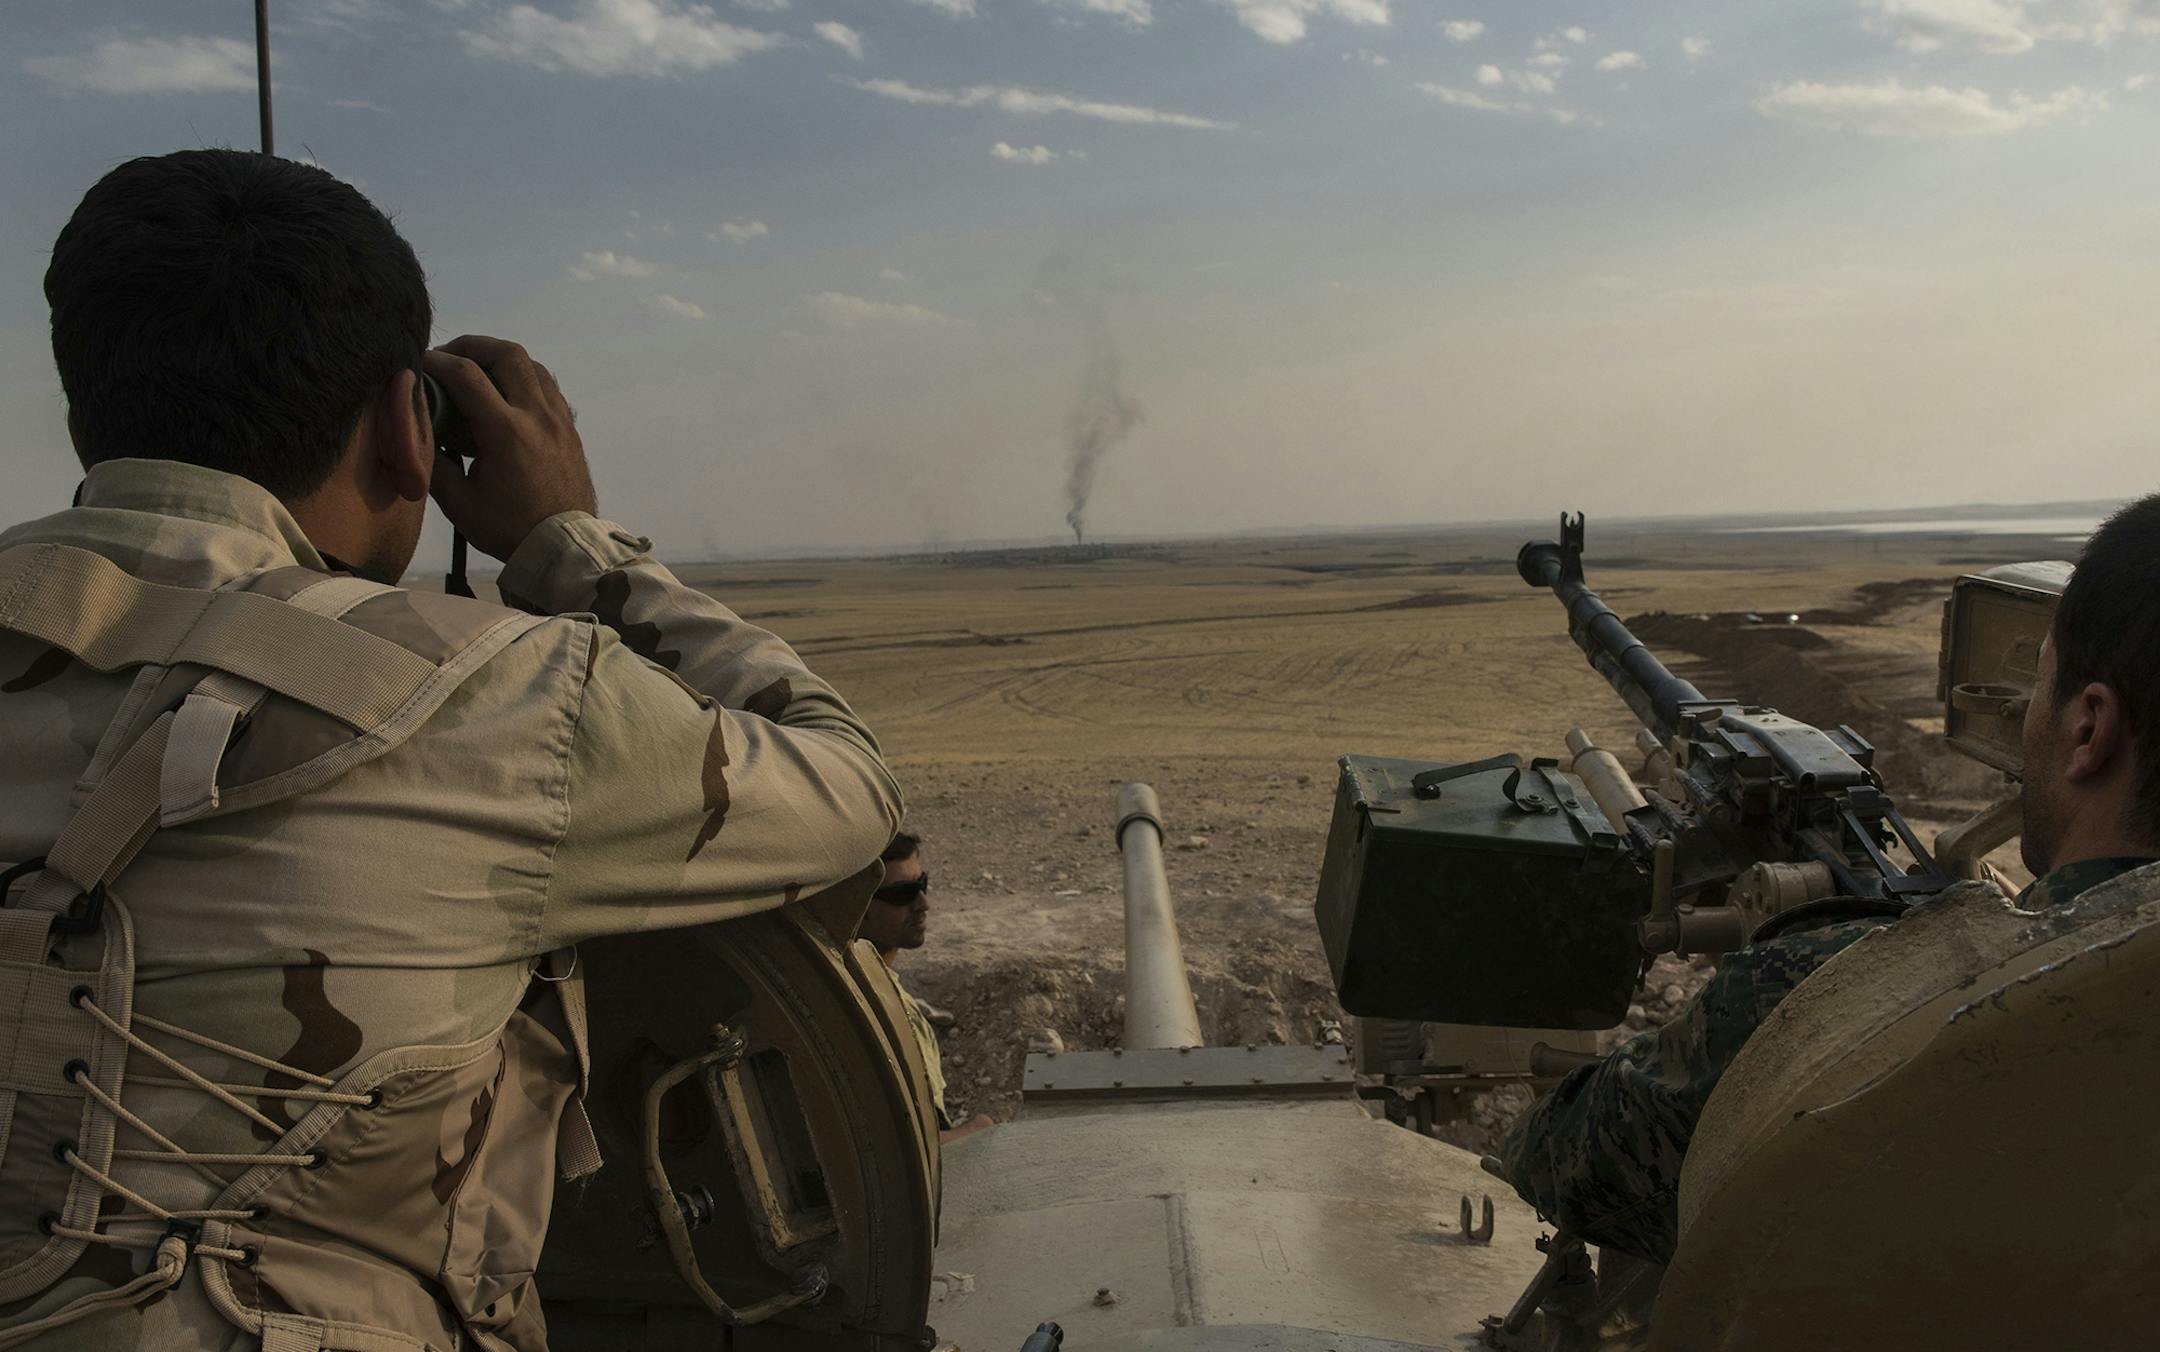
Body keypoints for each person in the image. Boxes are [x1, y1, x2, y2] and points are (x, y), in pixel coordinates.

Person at [0, 150, 902, 1349]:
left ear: (85, 409)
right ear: (407, 426)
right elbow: (847, 779)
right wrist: (571, 541)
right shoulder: (502, 697)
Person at [1498, 495, 2160, 1266]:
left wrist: (1788, 961)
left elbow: (1561, 1157)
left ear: (2089, 728)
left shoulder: (1829, 995)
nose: (2023, 723)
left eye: (2037, 688)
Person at [858, 831, 994, 1144]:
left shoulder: (884, 989)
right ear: (858, 904)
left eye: (922, 884)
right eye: (903, 893)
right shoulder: (870, 1008)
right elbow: (901, 1149)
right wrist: (977, 1131)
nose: (923, 903)